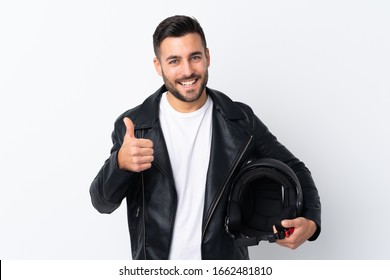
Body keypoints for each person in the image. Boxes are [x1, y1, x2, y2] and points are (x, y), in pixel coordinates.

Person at [89, 15, 321, 260]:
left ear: (207, 57)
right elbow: (102, 202)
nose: (187, 71)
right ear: (158, 66)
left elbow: (295, 168)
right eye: (174, 61)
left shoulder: (240, 120)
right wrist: (120, 165)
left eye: (195, 57)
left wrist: (311, 220)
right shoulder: (135, 125)